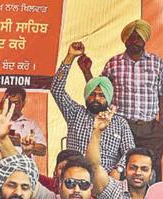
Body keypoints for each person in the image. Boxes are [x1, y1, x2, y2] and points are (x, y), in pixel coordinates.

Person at [81, 20, 163, 182]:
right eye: (131, 37)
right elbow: (98, 91)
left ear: (145, 40)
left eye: (138, 37)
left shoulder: (156, 62)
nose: (134, 41)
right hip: (121, 126)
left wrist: (160, 124)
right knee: (121, 169)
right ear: (125, 40)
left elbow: (162, 95)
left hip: (150, 129)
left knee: (151, 172)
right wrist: (87, 72)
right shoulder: (114, 63)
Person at [52, 42, 135, 175]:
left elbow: (130, 152)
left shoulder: (120, 123)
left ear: (108, 98)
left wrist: (118, 170)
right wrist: (70, 57)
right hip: (75, 176)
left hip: (106, 179)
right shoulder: (75, 113)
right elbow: (56, 89)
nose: (96, 98)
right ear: (86, 96)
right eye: (92, 94)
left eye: (102, 95)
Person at [87, 108, 153, 199]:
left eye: (144, 169)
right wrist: (97, 132)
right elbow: (93, 166)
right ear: (125, 169)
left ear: (151, 174)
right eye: (133, 168)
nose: (138, 172)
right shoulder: (112, 189)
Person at [0, 86, 47, 158]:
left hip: (22, 165)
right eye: (9, 102)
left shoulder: (31, 124)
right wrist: (1, 110)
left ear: (23, 103)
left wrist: (20, 142)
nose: (12, 106)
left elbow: (43, 150)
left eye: (16, 102)